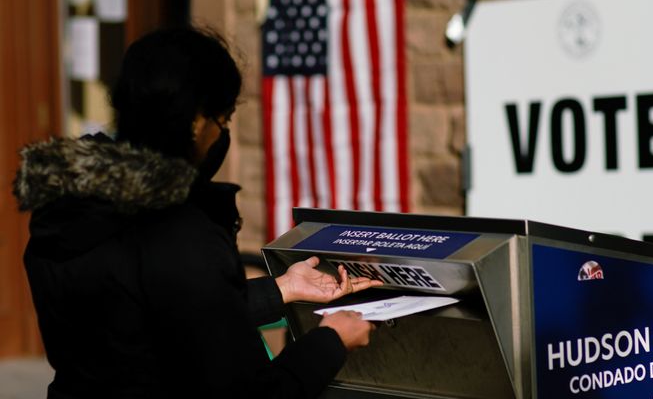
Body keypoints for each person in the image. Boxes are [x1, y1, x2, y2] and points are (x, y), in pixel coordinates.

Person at [12, 26, 381, 398]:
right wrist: (332, 341)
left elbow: (149, 323)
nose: (223, 134)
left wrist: (281, 289)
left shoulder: (67, 207)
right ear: (198, 121)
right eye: (225, 119)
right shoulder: (176, 231)